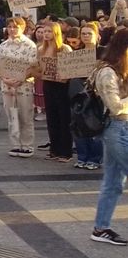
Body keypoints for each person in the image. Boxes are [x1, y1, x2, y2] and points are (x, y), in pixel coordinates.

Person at [90, 28, 128, 244]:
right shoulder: (107, 72)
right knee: (113, 181)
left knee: (113, 182)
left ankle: (100, 228)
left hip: (122, 127)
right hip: (117, 127)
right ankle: (100, 227)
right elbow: (115, 106)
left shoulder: (122, 69)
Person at [0, 16, 38, 158]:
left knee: (25, 116)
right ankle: (15, 144)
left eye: (15, 27)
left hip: (24, 86)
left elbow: (33, 67)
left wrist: (20, 79)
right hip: (7, 86)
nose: (12, 30)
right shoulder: (3, 45)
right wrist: (5, 79)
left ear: (22, 28)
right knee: (11, 116)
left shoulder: (30, 45)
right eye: (10, 27)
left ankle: (27, 145)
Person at [38, 22, 73, 162]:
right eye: (44, 31)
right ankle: (54, 149)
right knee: (51, 117)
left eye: (49, 31)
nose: (46, 34)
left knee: (63, 118)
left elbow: (71, 68)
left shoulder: (64, 48)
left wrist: (64, 75)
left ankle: (66, 151)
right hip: (48, 84)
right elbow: (38, 67)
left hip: (62, 86)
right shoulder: (41, 49)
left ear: (56, 33)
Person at [71, 23, 105, 170]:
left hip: (97, 93)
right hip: (79, 93)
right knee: (78, 124)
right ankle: (82, 156)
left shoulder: (103, 52)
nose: (85, 36)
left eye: (89, 33)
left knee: (95, 124)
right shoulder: (76, 53)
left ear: (97, 35)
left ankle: (95, 158)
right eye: (83, 33)